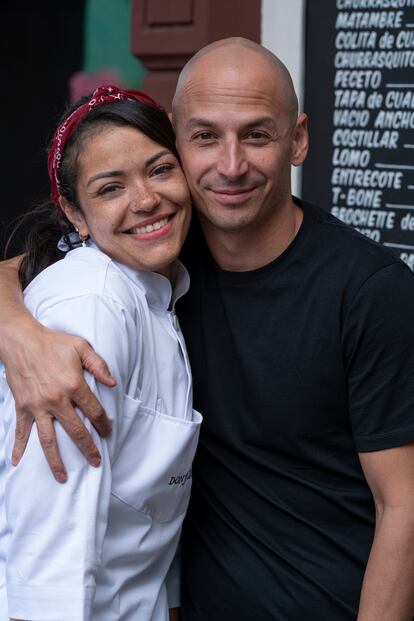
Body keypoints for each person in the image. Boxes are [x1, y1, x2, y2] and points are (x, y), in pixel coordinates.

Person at [1, 37, 414, 620]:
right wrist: (16, 330)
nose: (230, 165)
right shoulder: (156, 250)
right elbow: (29, 267)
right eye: (204, 137)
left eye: (257, 134)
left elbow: (406, 507)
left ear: (297, 139)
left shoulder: (371, 291)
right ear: (177, 137)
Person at [0, 84, 202, 621]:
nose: (145, 200)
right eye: (110, 188)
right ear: (75, 214)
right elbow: (49, 555)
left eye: (160, 170)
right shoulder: (92, 305)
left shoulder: (158, 284)